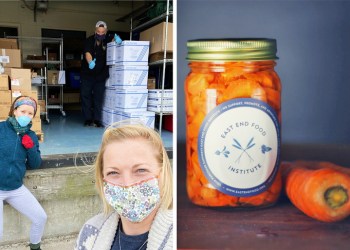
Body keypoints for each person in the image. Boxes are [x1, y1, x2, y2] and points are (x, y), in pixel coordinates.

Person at [75, 121, 173, 250]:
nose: (127, 184)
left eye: (141, 170)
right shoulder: (90, 233)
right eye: (114, 172)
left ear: (162, 172)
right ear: (102, 178)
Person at [0, 96, 47, 250]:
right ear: (15, 111)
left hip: (16, 188)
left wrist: (30, 147)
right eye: (23, 111)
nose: (26, 116)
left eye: (30, 113)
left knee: (40, 217)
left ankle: (35, 247)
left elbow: (35, 164)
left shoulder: (31, 135)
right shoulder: (1, 128)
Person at [80, 20, 122, 127]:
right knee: (86, 96)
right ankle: (88, 119)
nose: (100, 34)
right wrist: (90, 62)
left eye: (102, 32)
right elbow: (87, 53)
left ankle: (97, 120)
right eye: (98, 32)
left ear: (105, 31)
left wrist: (117, 40)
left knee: (98, 97)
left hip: (101, 75)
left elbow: (114, 40)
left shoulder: (108, 39)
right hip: (87, 75)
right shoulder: (89, 40)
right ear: (95, 31)